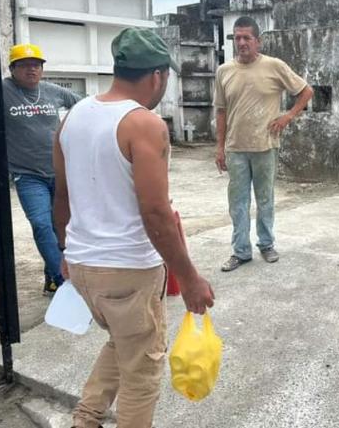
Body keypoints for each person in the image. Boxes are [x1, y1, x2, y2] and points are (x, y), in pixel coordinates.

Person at [53, 28, 215, 428]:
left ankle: (85, 420)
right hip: (129, 271)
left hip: (85, 268)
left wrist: (65, 253)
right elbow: (157, 214)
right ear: (157, 76)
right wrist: (189, 277)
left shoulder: (73, 117)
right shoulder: (144, 124)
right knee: (143, 374)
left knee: (123, 343)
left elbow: (61, 197)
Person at [0, 43, 80, 294]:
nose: (31, 69)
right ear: (12, 69)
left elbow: (86, 107)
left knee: (62, 227)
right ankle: (64, 281)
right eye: (24, 65)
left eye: (36, 65)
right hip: (28, 175)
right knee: (42, 224)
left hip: (60, 171)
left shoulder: (52, 91)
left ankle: (52, 277)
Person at [214, 16, 314, 272]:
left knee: (265, 199)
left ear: (258, 41)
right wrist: (219, 147)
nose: (242, 42)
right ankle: (241, 251)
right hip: (235, 148)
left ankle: (267, 244)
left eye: (247, 37)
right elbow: (221, 112)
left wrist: (288, 116)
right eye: (237, 37)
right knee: (237, 202)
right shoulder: (224, 71)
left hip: (266, 146)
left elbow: (306, 91)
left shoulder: (274, 66)